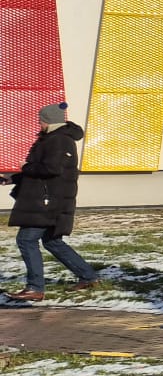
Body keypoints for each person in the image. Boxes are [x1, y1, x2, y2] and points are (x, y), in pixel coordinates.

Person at [6, 103, 98, 301]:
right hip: (51, 199)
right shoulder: (55, 139)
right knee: (52, 241)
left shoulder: (58, 140)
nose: (39, 124)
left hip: (47, 202)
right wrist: (12, 179)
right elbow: (42, 172)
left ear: (48, 121)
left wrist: (26, 166)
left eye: (41, 120)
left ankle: (35, 288)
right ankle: (88, 276)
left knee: (26, 239)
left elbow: (51, 169)